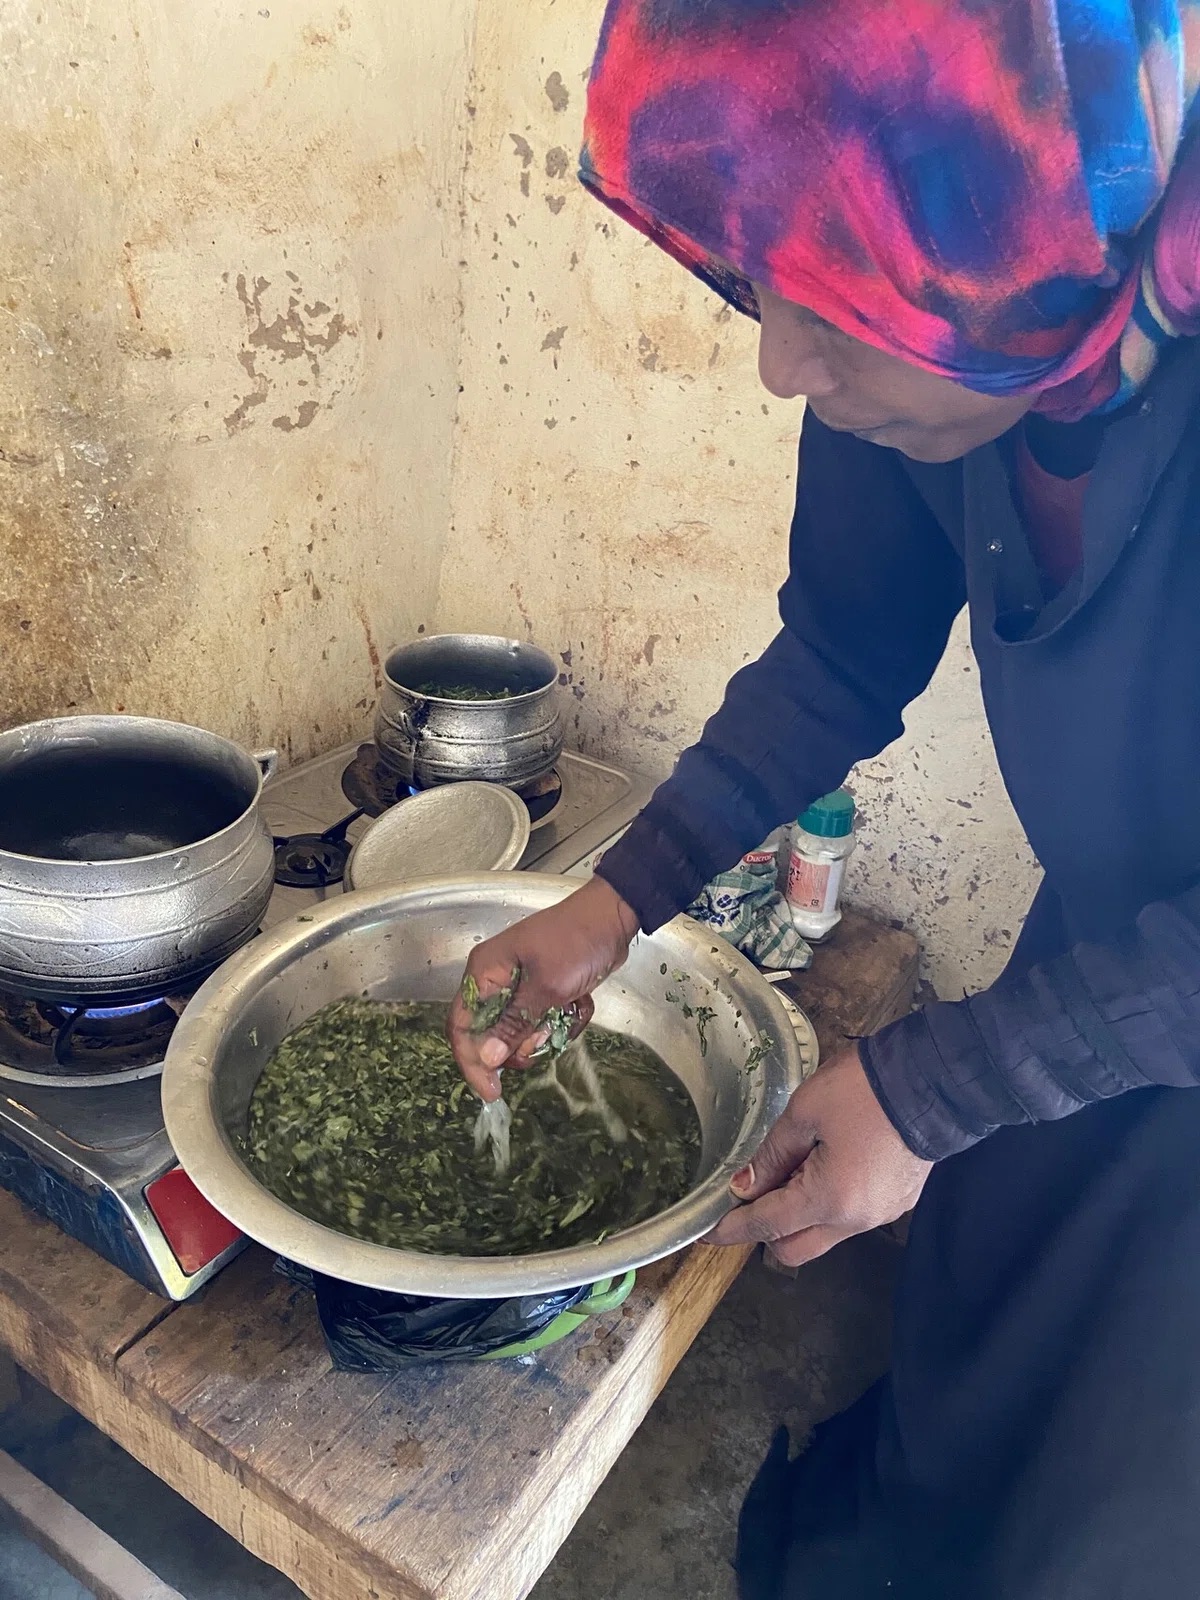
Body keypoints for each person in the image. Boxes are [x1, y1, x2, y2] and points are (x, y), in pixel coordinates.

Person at [449, 3, 1200, 1595]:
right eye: (763, 291)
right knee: (971, 1369)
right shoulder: (957, 343)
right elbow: (844, 647)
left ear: (1028, 237)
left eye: (835, 308)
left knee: (1118, 1517)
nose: (786, 364)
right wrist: (612, 897)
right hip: (1114, 950)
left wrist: (933, 1094)